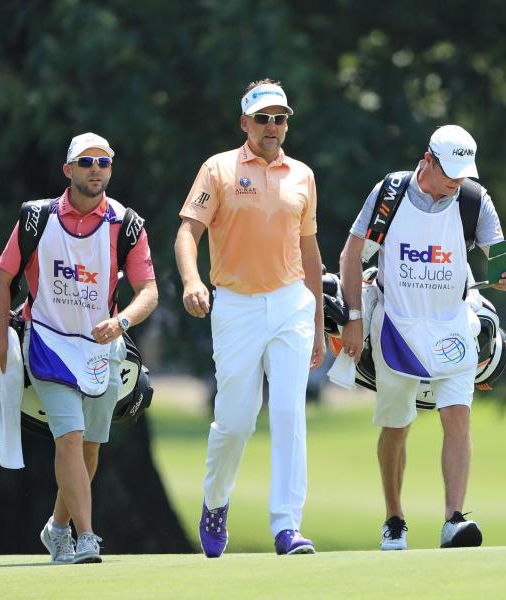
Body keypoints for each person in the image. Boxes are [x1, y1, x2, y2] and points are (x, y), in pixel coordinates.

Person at [339, 125, 506, 551]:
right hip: (396, 327)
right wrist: (354, 317)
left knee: (458, 417)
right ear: (428, 159)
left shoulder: (474, 199)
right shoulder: (390, 193)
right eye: (449, 170)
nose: (456, 180)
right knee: (396, 426)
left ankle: (454, 519)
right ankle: (394, 518)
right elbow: (350, 254)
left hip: (452, 325)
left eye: (462, 171)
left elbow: (501, 262)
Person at [0, 132, 159, 563]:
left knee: (90, 447)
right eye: (86, 162)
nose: (96, 169)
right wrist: (2, 339)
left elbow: (148, 291)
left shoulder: (127, 223)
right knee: (70, 437)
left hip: (103, 349)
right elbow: (1, 279)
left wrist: (121, 322)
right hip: (47, 341)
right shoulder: (36, 219)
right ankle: (86, 538)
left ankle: (57, 528)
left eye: (104, 162)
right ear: (68, 170)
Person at [175, 79, 325, 557]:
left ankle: (286, 525)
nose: (272, 127)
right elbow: (187, 233)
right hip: (236, 304)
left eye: (280, 118)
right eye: (263, 118)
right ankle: (216, 501)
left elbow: (310, 251)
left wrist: (318, 322)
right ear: (245, 123)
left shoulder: (302, 175)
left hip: (289, 304)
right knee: (236, 421)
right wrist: (191, 281)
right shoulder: (218, 169)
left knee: (287, 412)